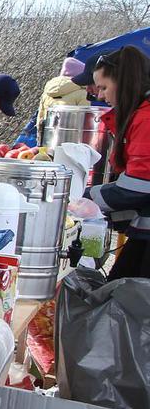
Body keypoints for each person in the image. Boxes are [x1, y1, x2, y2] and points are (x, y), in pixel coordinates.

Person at [88, 47, 150, 280]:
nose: (101, 96)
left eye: (103, 87)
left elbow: (139, 185)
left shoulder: (145, 118)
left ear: (123, 82)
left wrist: (86, 199)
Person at [37, 57, 89, 133]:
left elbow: (40, 117)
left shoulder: (48, 90)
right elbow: (84, 121)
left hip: (48, 135)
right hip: (70, 138)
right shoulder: (82, 93)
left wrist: (40, 136)